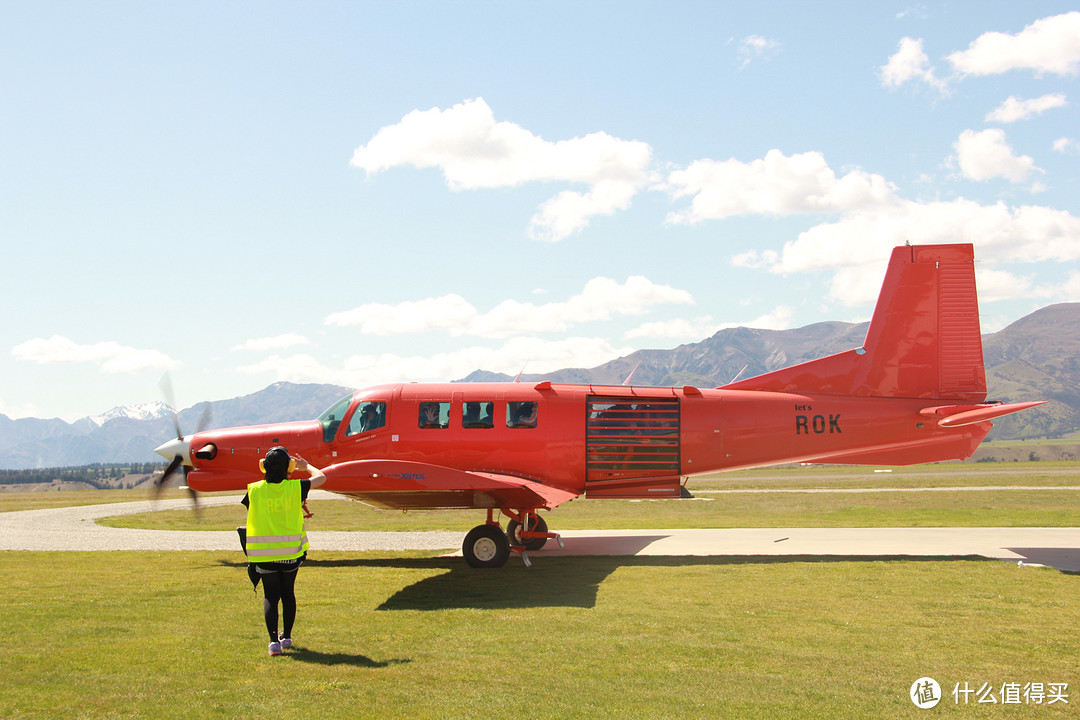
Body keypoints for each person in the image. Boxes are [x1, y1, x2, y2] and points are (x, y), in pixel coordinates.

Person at [241, 446, 326, 656]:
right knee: (288, 593)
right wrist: (306, 467)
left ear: (264, 466)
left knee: (271, 596)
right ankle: (286, 637)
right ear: (289, 466)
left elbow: (250, 508)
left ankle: (273, 643)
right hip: (290, 554)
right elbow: (322, 477)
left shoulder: (254, 490)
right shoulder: (296, 488)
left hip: (263, 555)